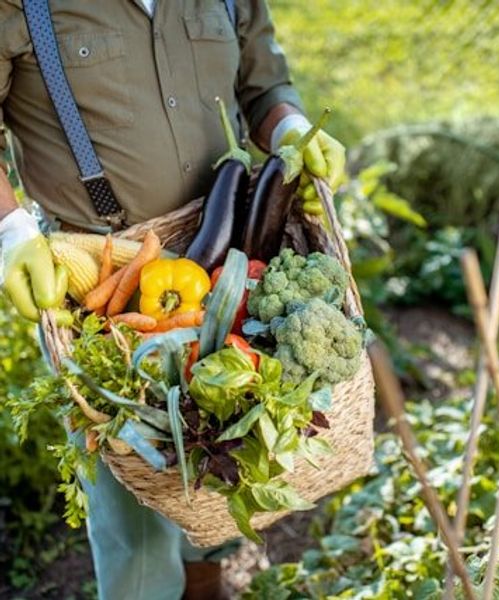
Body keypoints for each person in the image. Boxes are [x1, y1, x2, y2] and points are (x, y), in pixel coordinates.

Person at [0, 1, 346, 599]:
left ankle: (208, 578)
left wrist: (290, 127)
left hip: (232, 262)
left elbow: (261, 87)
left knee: (226, 458)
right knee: (137, 517)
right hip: (104, 286)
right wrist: (10, 231)